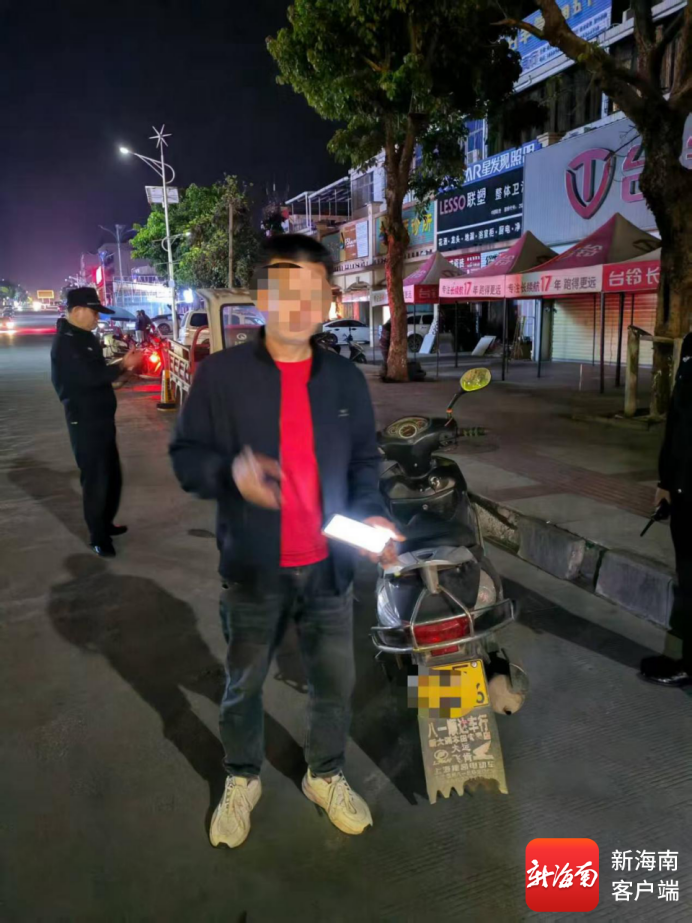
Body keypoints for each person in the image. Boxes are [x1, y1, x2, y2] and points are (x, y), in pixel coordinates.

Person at [170, 234, 403, 849]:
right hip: (253, 570)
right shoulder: (221, 376)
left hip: (330, 569)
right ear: (262, 298)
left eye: (313, 291)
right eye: (285, 290)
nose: (299, 305)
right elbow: (186, 456)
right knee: (244, 683)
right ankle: (242, 776)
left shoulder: (345, 380)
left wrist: (374, 516)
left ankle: (324, 774)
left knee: (334, 683)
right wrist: (230, 474)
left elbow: (364, 463)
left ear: (329, 300)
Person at [51, 287, 141, 557]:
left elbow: (98, 373)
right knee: (96, 480)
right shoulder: (67, 343)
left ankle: (105, 523)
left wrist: (122, 370)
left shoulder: (85, 337)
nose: (97, 318)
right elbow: (89, 377)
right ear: (78, 311)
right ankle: (98, 537)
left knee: (112, 476)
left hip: (102, 419)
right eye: (94, 312)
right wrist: (122, 365)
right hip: (85, 422)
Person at [640, 332, 692, 687]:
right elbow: (678, 422)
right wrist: (666, 481)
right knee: (688, 580)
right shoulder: (691, 345)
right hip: (684, 489)